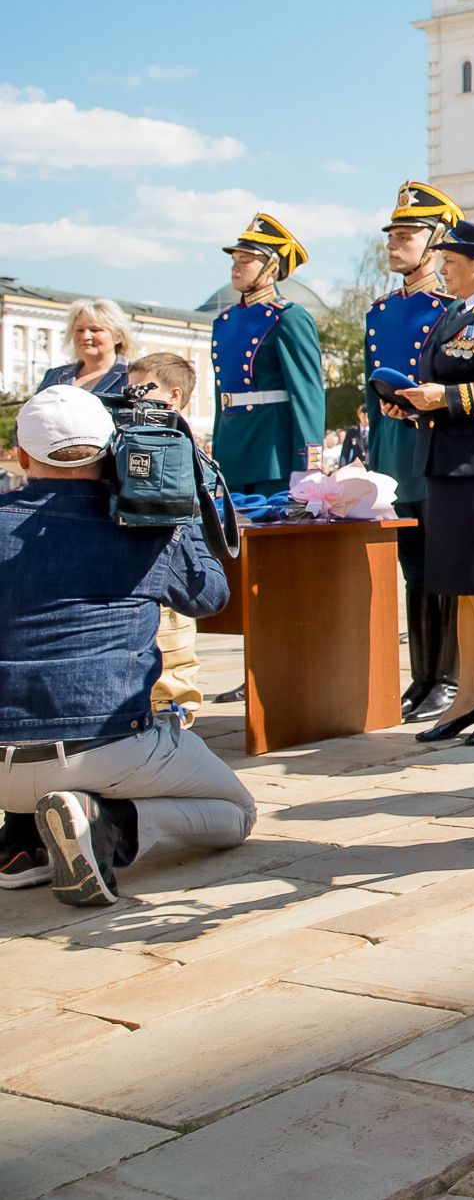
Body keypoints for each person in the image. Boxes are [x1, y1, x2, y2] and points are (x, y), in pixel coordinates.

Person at [0, 386, 252, 905]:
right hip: (107, 746)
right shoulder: (145, 529)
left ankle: (22, 845)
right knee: (236, 814)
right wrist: (183, 508)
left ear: (21, 455)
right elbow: (209, 597)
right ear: (111, 450)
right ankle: (106, 824)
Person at [389, 220, 474, 748]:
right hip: (444, 462)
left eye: (451, 261)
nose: (442, 269)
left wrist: (443, 398)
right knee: (463, 589)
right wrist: (407, 401)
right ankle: (468, 694)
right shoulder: (452, 314)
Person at [369, 182, 465, 722]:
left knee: (441, 562)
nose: (394, 243)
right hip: (394, 453)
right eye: (392, 234)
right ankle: (422, 676)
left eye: (406, 235)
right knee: (411, 567)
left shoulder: (449, 309)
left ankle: (447, 678)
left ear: (436, 244)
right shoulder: (379, 310)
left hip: (437, 447)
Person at [209, 213, 326, 496]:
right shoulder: (224, 321)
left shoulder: (288, 317)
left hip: (273, 452)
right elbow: (221, 397)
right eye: (234, 260)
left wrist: (308, 463)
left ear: (272, 266)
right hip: (232, 452)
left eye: (246, 260)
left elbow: (307, 393)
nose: (236, 268)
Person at [124, 353, 209, 721]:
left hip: (170, 559)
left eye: (145, 389)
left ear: (172, 396)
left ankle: (176, 716)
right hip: (136, 560)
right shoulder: (132, 437)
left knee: (173, 642)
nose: (134, 396)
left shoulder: (177, 443)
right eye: (130, 388)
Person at [38, 299, 132, 397]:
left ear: (118, 336)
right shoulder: (54, 376)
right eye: (80, 330)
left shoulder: (132, 375)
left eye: (95, 330)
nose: (85, 336)